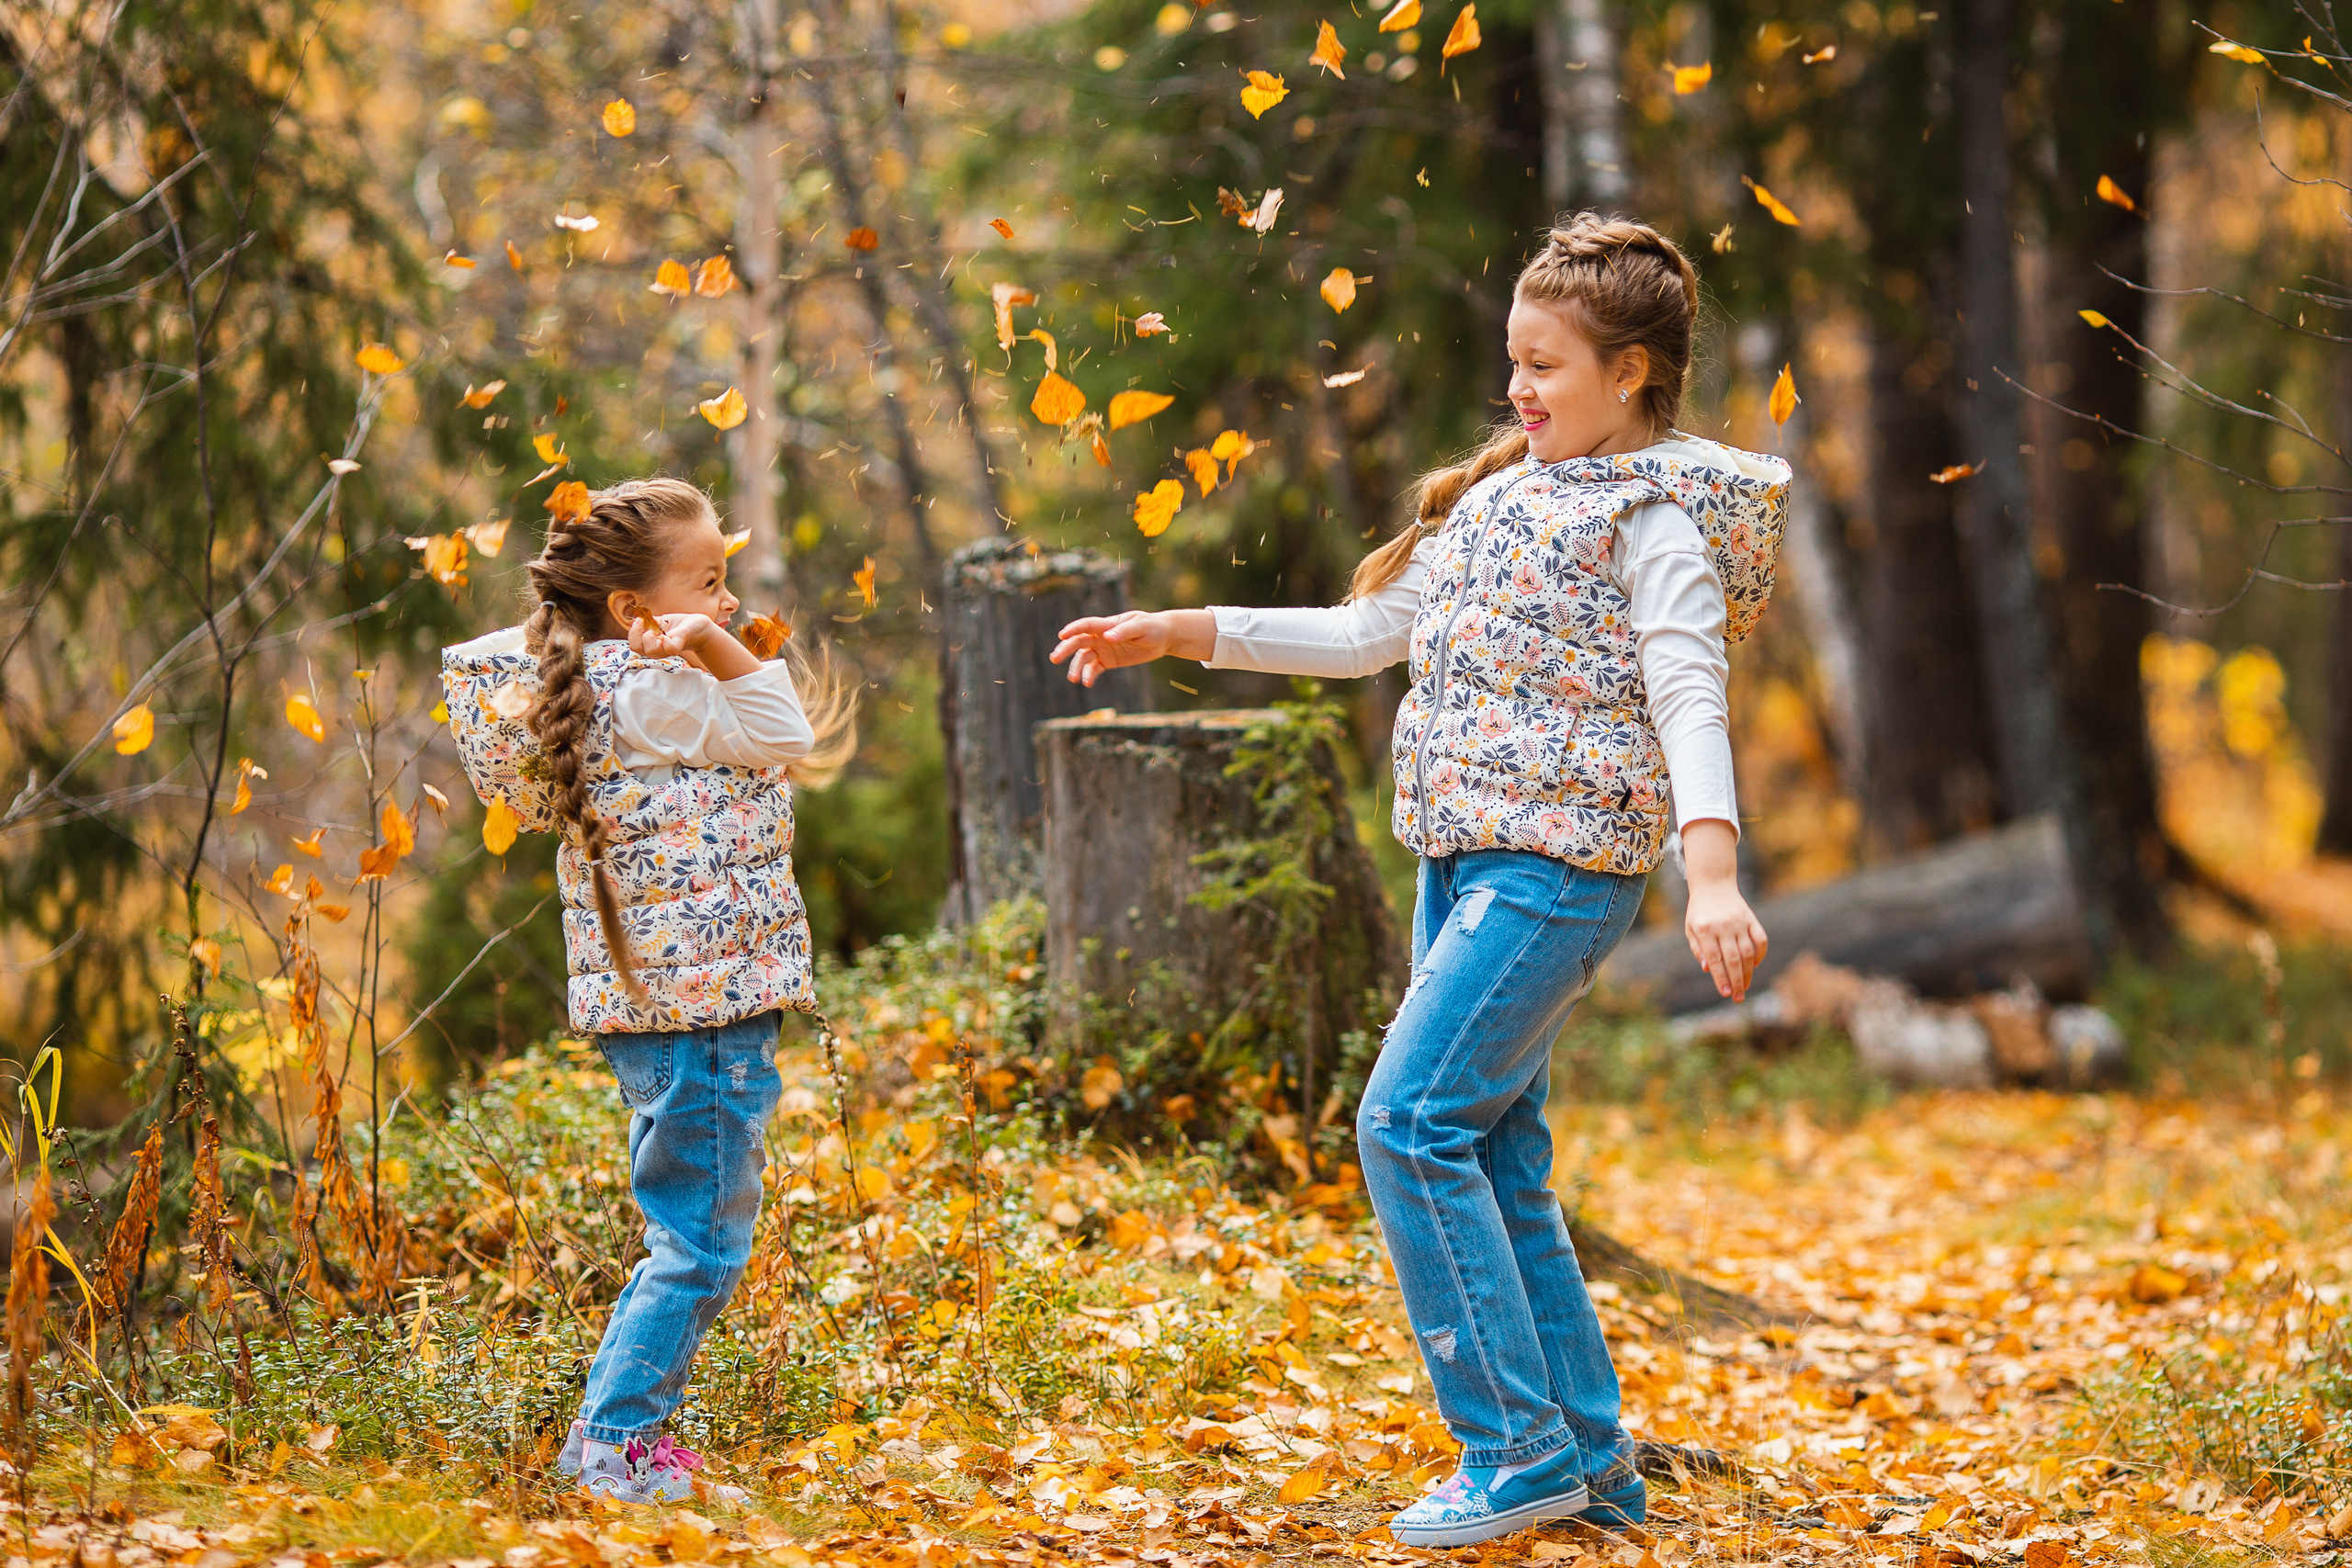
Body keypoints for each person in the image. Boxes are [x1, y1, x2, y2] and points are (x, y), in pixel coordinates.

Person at [1050, 214, 1787, 1548]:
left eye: (1546, 366)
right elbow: (1366, 634)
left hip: (1560, 872)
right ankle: (1591, 1461)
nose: (1518, 387)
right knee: (1496, 1152)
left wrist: (1714, 870)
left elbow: (1689, 691)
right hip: (1460, 862)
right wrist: (1183, 630)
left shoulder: (1655, 520)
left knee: (1406, 1122)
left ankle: (1513, 1450)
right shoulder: (1501, 498)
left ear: (1629, 372)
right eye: (1514, 359)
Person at [441, 477, 856, 1504]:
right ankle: (616, 1451)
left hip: (665, 1009)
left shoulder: (599, 688)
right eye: (707, 582)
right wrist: (713, 645)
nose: (728, 600)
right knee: (701, 1245)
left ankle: (613, 1444)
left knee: (687, 1234)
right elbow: (785, 732)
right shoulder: (656, 692)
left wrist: (694, 628)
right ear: (632, 610)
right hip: (703, 1008)